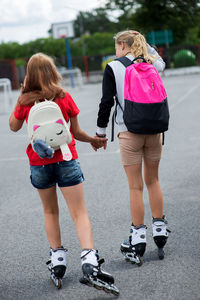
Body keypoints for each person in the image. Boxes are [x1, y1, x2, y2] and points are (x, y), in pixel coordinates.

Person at [9, 53, 119, 295]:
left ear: (29, 74)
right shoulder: (63, 96)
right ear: (52, 71)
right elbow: (75, 131)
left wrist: (21, 98)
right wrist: (93, 139)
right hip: (67, 159)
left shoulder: (25, 100)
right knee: (79, 213)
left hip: (39, 163)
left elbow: (13, 126)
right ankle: (89, 262)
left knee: (50, 211)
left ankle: (58, 261)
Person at [95, 30, 170, 264]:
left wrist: (99, 133)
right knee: (153, 180)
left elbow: (107, 102)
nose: (115, 51)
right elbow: (162, 63)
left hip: (129, 131)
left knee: (135, 187)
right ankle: (159, 228)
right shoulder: (152, 63)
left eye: (117, 46)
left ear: (123, 45)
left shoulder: (113, 67)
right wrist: (147, 48)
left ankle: (138, 236)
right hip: (155, 130)